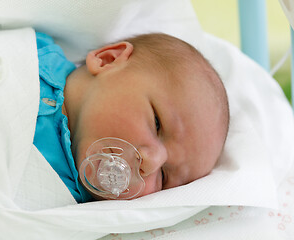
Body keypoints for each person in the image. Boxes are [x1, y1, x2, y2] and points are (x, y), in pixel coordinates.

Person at [33, 32, 229, 203]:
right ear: (108, 60)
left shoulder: (64, 201)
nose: (150, 163)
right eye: (157, 123)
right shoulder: (35, 53)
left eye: (163, 177)